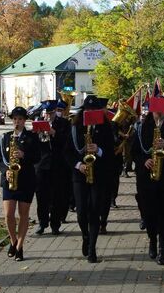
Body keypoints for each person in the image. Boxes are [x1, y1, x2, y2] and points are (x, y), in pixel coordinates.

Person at [131, 98, 164, 265]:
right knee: (149, 214)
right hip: (146, 178)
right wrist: (144, 161)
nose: (158, 115)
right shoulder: (142, 127)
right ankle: (152, 240)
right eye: (156, 112)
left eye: (161, 112)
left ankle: (162, 249)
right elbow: (134, 152)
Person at [67, 95, 114, 263]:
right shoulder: (75, 127)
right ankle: (85, 236)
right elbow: (67, 152)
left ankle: (92, 248)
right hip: (80, 174)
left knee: (94, 211)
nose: (91, 112)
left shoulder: (106, 127)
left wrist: (99, 150)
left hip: (98, 175)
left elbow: (111, 151)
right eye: (88, 110)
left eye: (95, 110)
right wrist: (78, 164)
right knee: (81, 213)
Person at [0, 106, 40, 261]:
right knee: (8, 214)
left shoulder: (32, 137)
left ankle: (20, 247)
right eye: (15, 119)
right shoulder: (5, 137)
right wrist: (6, 171)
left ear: (24, 121)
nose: (17, 122)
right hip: (9, 179)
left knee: (23, 214)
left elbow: (37, 157)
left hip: (26, 180)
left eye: (20, 119)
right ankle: (13, 240)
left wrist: (24, 155)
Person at [34, 99, 71, 235]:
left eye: (51, 113)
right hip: (42, 165)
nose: (49, 115)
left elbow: (67, 142)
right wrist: (35, 132)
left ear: (55, 111)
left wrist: (54, 133)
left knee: (57, 196)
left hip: (58, 164)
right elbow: (34, 145)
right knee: (41, 196)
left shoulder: (64, 124)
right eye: (47, 113)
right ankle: (42, 223)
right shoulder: (39, 122)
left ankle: (55, 224)